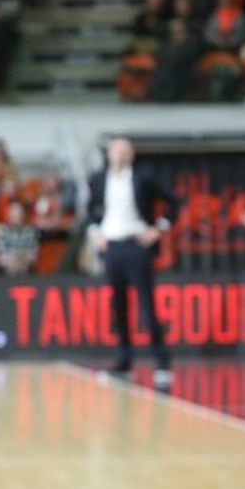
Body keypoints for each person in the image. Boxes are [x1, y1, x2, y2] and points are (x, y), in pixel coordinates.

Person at [86, 137, 179, 389]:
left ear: (131, 155)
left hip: (137, 245)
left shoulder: (143, 177)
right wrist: (95, 230)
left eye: (125, 151)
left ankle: (161, 362)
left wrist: (158, 229)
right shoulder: (97, 178)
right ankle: (124, 363)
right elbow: (91, 209)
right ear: (109, 153)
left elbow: (173, 201)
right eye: (116, 150)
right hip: (112, 247)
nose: (120, 154)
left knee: (146, 306)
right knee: (119, 307)